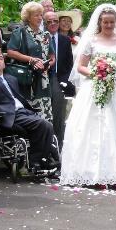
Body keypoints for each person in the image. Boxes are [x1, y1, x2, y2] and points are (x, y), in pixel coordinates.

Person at [60, 4, 116, 188]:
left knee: (113, 128)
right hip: (93, 87)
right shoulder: (91, 40)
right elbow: (80, 67)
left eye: (111, 22)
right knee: (90, 129)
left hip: (115, 87)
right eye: (105, 22)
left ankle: (115, 173)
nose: (109, 25)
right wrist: (97, 73)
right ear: (100, 22)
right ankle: (88, 172)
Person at [0, 56, 58, 173]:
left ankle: (45, 158)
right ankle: (36, 161)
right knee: (43, 125)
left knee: (47, 126)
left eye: (1, 58)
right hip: (8, 114)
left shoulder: (11, 79)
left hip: (23, 111)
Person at [7, 1, 55, 122]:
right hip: (27, 81)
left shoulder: (46, 35)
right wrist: (31, 60)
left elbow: (52, 56)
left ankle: (47, 139)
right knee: (31, 116)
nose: (40, 18)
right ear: (28, 17)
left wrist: (48, 65)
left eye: (41, 15)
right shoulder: (20, 32)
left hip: (43, 82)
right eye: (36, 15)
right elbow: (11, 52)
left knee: (46, 117)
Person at [44, 11, 74, 148]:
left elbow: (69, 64)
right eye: (49, 21)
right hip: (42, 77)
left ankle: (59, 146)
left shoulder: (65, 40)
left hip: (59, 78)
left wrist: (66, 81)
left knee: (59, 114)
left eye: (55, 21)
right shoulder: (40, 37)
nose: (53, 24)